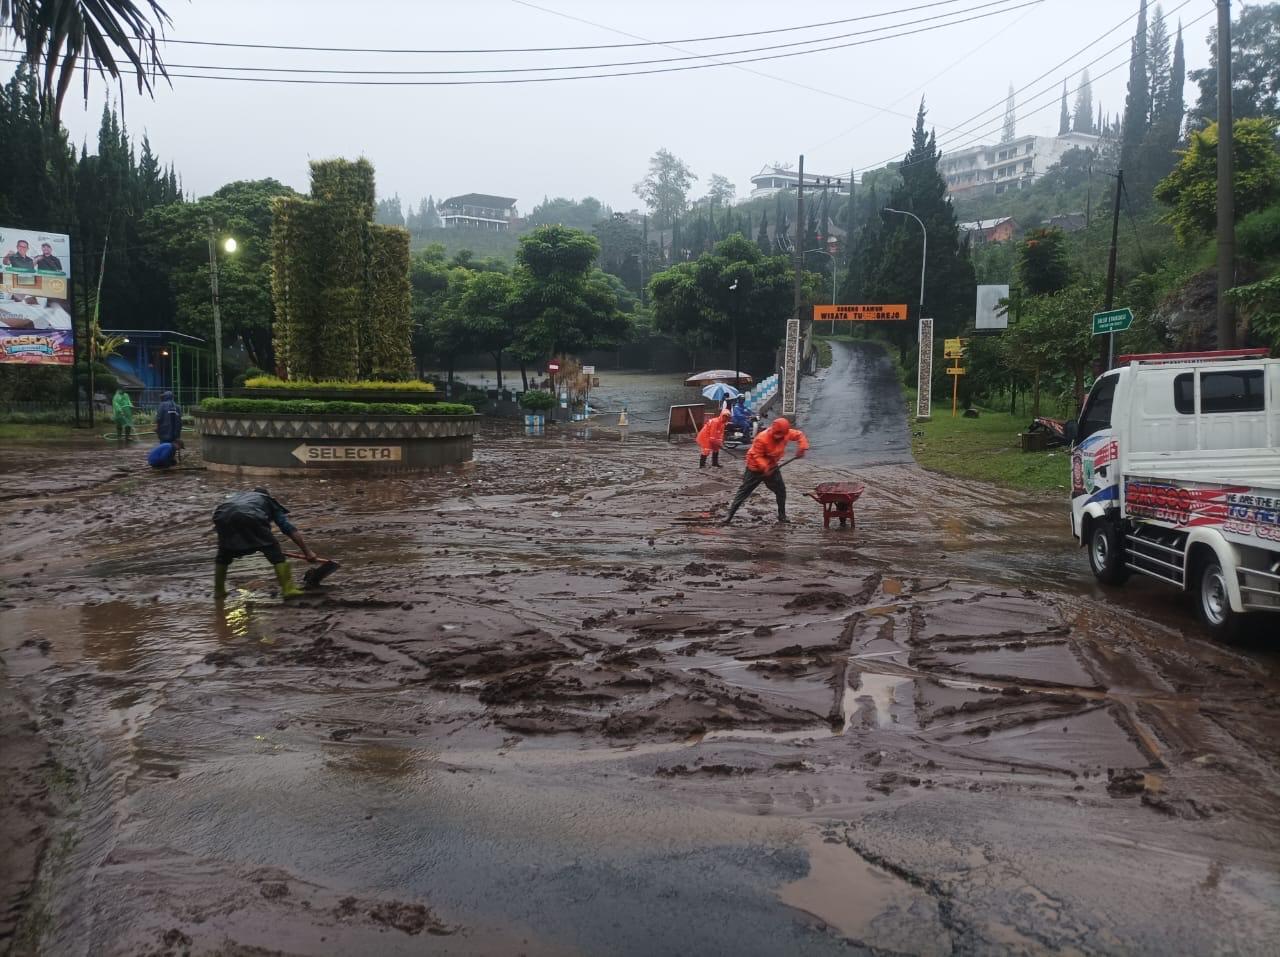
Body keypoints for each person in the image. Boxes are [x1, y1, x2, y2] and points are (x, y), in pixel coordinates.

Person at [212, 488, 316, 600]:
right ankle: (288, 589)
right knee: (276, 554)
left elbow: (232, 520)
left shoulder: (237, 497)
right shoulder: (267, 500)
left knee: (223, 555)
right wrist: (307, 552)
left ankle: (219, 591)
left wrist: (234, 547)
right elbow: (287, 528)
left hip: (221, 516)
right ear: (267, 495)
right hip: (250, 515)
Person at [723, 416, 809, 525]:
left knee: (781, 491)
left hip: (772, 467)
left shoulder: (786, 433)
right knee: (744, 491)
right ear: (773, 430)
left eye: (782, 436)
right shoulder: (762, 438)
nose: (779, 438)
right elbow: (756, 455)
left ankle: (782, 516)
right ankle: (729, 516)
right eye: (777, 435)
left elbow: (799, 435)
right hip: (754, 468)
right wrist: (765, 467)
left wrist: (802, 447)